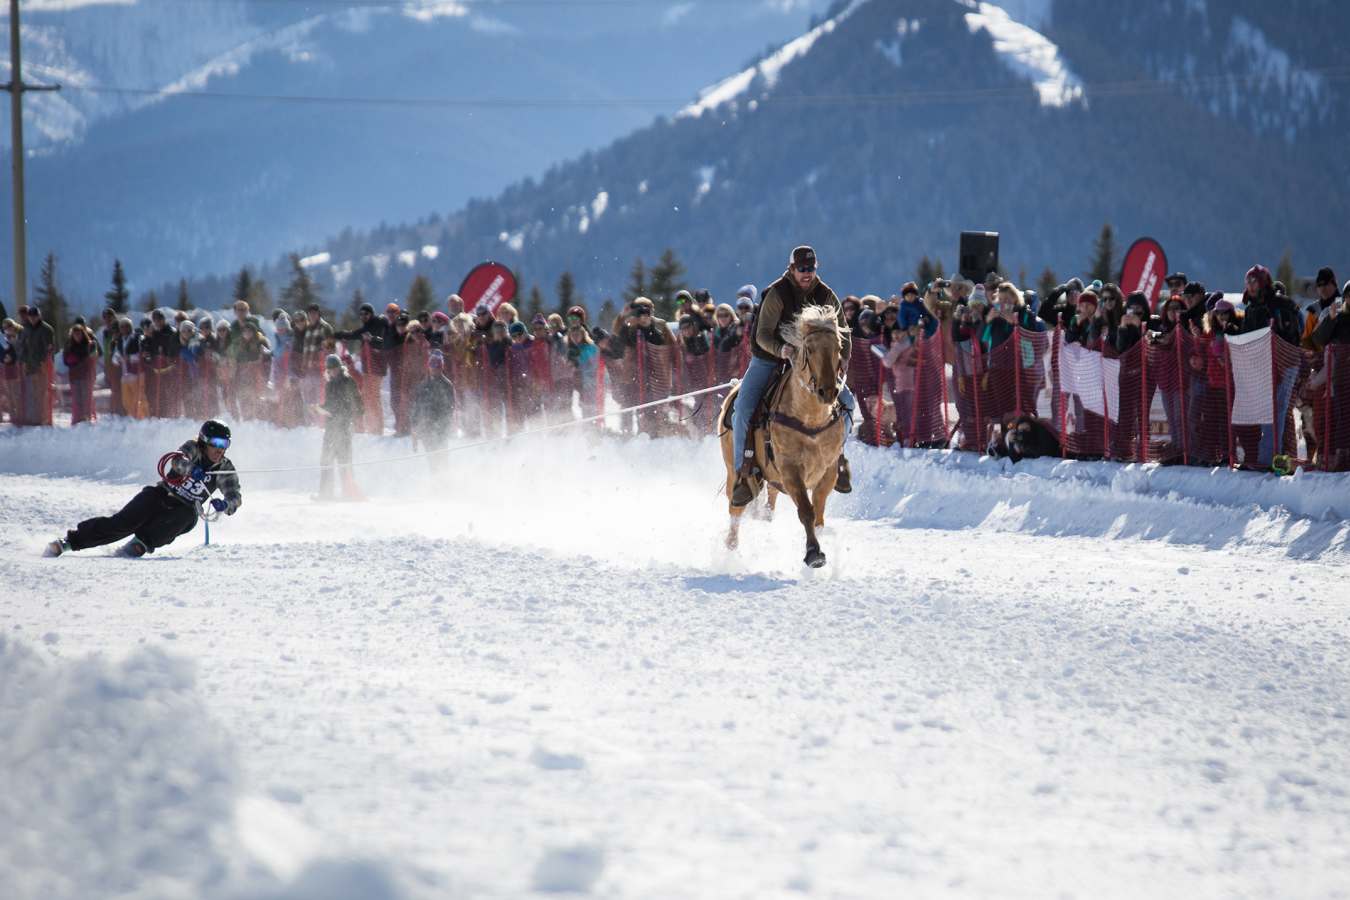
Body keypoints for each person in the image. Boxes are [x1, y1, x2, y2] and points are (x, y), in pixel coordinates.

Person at [730, 245, 855, 507]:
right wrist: (781, 349)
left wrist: (843, 358)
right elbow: (762, 334)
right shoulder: (777, 294)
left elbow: (843, 331)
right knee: (742, 409)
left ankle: (837, 459)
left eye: (811, 268)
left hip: (812, 363)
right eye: (802, 269)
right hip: (770, 358)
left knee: (848, 403)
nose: (807, 273)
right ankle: (745, 472)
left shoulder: (826, 295)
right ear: (791, 269)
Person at [45, 420, 242, 558]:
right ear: (204, 441)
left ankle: (141, 544)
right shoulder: (193, 448)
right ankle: (70, 542)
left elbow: (235, 496)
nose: (220, 449)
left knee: (188, 516)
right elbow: (176, 461)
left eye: (225, 444)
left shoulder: (224, 468)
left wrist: (226, 504)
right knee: (122, 524)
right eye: (216, 443)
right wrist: (191, 469)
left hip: (183, 510)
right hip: (161, 495)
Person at [312, 354, 364, 500]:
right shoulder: (330, 384)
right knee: (326, 461)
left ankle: (349, 493)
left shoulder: (348, 382)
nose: (333, 372)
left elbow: (358, 406)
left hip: (344, 428)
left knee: (344, 462)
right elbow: (330, 405)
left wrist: (347, 416)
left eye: (335, 368)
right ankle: (325, 493)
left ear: (340, 368)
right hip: (331, 429)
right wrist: (319, 409)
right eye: (330, 369)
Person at [410, 350, 456, 471]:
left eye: (437, 366)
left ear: (442, 367)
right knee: (432, 461)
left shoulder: (447, 385)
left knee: (442, 460)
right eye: (432, 365)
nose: (434, 369)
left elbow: (450, 409)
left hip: (441, 430)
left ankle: (444, 479)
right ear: (428, 366)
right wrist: (414, 428)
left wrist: (442, 426)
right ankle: (435, 479)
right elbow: (416, 408)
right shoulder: (422, 385)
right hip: (427, 430)